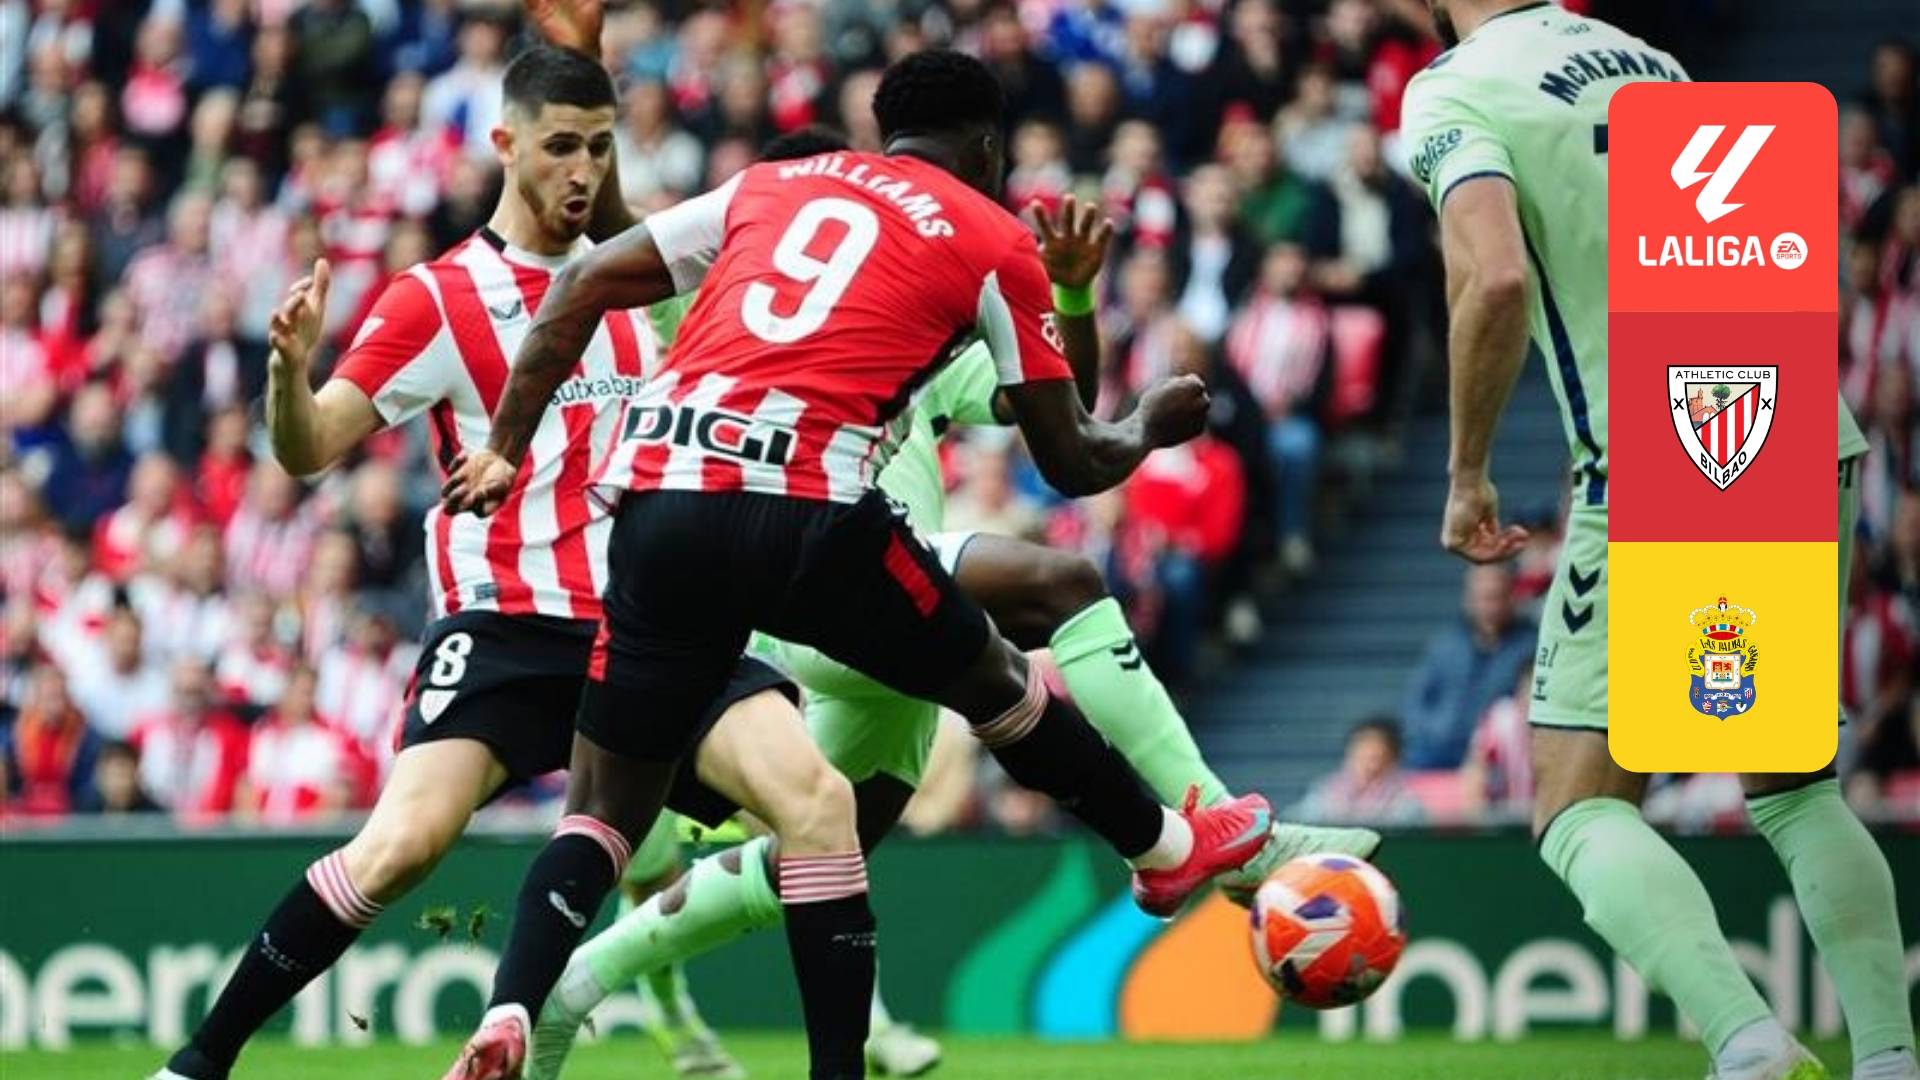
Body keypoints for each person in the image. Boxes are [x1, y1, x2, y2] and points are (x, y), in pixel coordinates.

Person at [441, 48, 1274, 1080]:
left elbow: (580, 278)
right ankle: (1164, 846)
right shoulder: (988, 236)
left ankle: (515, 1006)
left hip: (657, 505)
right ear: (987, 148)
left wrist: (505, 447)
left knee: (612, 810)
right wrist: (1148, 424)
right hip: (810, 517)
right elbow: (1071, 459)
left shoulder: (769, 186)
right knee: (999, 680)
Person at [148, 44, 852, 1080]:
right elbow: (308, 448)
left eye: (599, 149)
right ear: (504, 144)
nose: (582, 170)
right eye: (561, 146)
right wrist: (288, 378)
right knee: (399, 848)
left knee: (820, 802)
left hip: (654, 618)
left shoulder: (643, 282)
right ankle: (198, 1063)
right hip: (507, 622)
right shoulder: (437, 298)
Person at [1404, 4, 1915, 1080]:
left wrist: (1466, 474)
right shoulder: (1650, 60)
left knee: (1576, 804)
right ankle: (1888, 1058)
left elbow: (1494, 275)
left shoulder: (1454, 87)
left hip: (1663, 440)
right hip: (1785, 419)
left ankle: (1749, 1045)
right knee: (1794, 783)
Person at [1399, 562, 1535, 768]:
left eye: (1497, 596)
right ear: (1468, 599)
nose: (1491, 606)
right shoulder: (1446, 643)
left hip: (1500, 756)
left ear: (1512, 596)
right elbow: (1416, 700)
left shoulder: (1531, 644)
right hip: (1438, 750)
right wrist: (1434, 731)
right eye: (1483, 597)